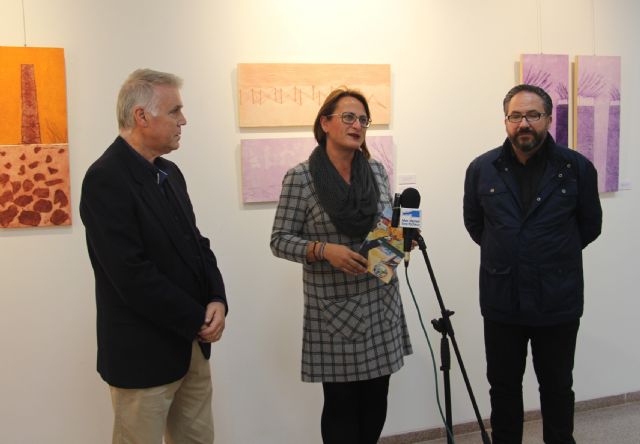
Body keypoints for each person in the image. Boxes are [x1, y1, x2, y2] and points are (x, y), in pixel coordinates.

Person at [80, 69, 228, 444]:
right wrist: (196, 317)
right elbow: (131, 275)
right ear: (141, 116)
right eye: (175, 110)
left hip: (190, 347)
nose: (184, 120)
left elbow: (197, 245)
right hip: (143, 355)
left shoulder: (169, 173)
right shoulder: (105, 178)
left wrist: (217, 297)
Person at [270, 88, 412, 444]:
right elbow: (279, 240)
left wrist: (400, 239)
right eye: (348, 117)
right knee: (341, 405)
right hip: (335, 314)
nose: (357, 125)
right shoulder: (301, 178)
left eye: (363, 119)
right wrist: (323, 250)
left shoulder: (376, 170)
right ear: (325, 123)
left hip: (381, 303)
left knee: (377, 399)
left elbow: (385, 228)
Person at [463, 84, 602, 444]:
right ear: (506, 120)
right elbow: (476, 225)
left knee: (557, 387)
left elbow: (590, 226)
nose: (524, 123)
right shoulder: (482, 169)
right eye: (516, 116)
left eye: (533, 115)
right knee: (503, 388)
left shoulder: (577, 168)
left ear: (549, 119)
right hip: (502, 299)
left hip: (557, 299)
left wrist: (548, 255)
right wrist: (510, 251)